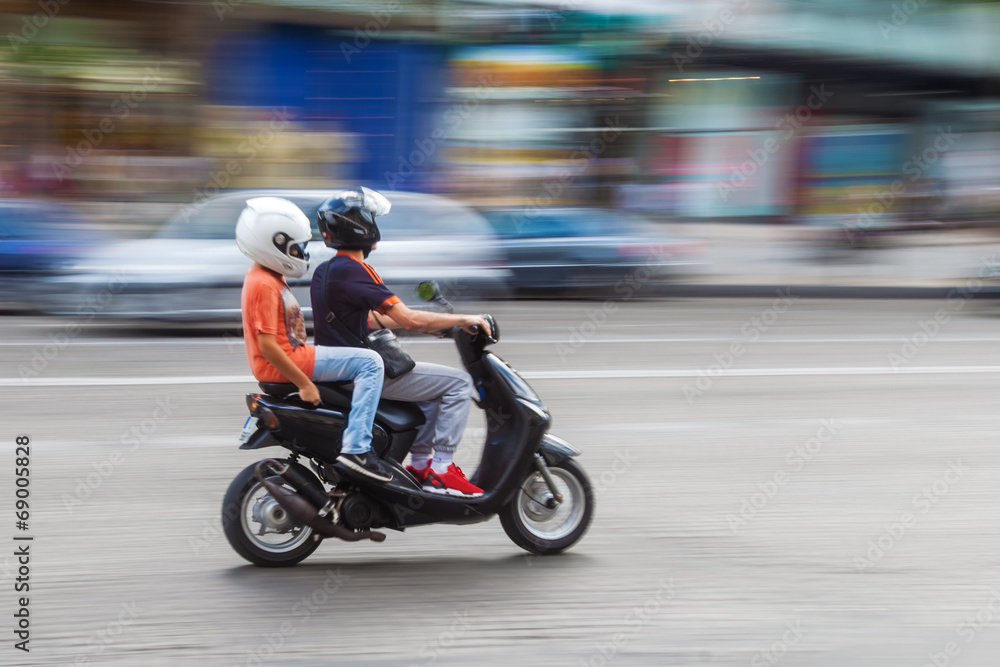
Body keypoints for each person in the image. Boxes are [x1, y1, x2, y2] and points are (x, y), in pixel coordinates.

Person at [309, 186, 491, 498]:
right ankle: (443, 468)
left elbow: (364, 320)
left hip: (337, 370)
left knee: (432, 391)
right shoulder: (357, 271)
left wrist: (436, 324)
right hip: (360, 372)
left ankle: (419, 466)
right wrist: (463, 319)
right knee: (458, 384)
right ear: (361, 227)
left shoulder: (325, 272)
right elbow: (410, 319)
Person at [236, 196, 393, 482]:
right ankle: (358, 449)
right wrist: (304, 384)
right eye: (297, 247)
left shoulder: (264, 275)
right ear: (273, 243)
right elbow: (267, 345)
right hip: (291, 360)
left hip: (296, 354)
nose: (302, 253)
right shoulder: (264, 284)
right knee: (371, 363)